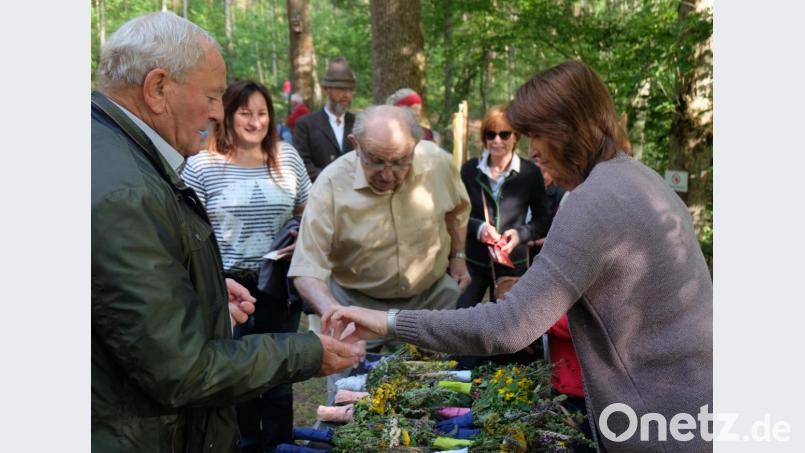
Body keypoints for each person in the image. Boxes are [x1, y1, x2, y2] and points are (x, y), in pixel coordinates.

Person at [323, 61, 713, 452]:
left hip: (659, 426)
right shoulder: (640, 178)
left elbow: (508, 326)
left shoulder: (594, 200)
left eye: (537, 135)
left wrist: (389, 321)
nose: (533, 151)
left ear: (569, 129)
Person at [91, 12, 361, 452]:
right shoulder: (127, 190)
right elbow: (180, 370)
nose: (218, 112)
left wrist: (204, 290)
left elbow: (120, 302)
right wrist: (308, 352)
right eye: (213, 96)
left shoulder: (112, 154)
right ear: (157, 89)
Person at [288, 105, 472, 399]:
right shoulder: (331, 183)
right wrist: (337, 315)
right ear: (355, 144)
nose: (388, 174)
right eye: (375, 161)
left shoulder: (438, 164)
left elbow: (458, 212)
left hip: (429, 300)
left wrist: (458, 257)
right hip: (355, 305)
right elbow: (306, 269)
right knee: (349, 399)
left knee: (432, 393)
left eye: (400, 162)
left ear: (416, 145)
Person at [181, 80, 311, 452]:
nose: (255, 122)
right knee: (237, 376)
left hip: (279, 285)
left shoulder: (287, 157)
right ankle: (243, 445)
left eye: (262, 113)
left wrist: (299, 237)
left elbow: (308, 210)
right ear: (227, 114)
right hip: (227, 288)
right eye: (245, 113)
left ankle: (280, 446)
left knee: (280, 375)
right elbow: (186, 226)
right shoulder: (202, 164)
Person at [457, 105, 551, 309]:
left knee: (508, 323)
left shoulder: (530, 173)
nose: (497, 140)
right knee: (459, 315)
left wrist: (520, 234)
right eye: (491, 134)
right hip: (474, 263)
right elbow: (457, 216)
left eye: (504, 134)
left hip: (512, 265)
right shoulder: (469, 170)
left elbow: (544, 220)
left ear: (515, 137)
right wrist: (479, 228)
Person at [293, 57, 356, 181]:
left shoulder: (359, 123)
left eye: (350, 90)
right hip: (319, 190)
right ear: (326, 89)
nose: (347, 95)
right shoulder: (306, 125)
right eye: (341, 89)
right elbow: (301, 164)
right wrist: (332, 179)